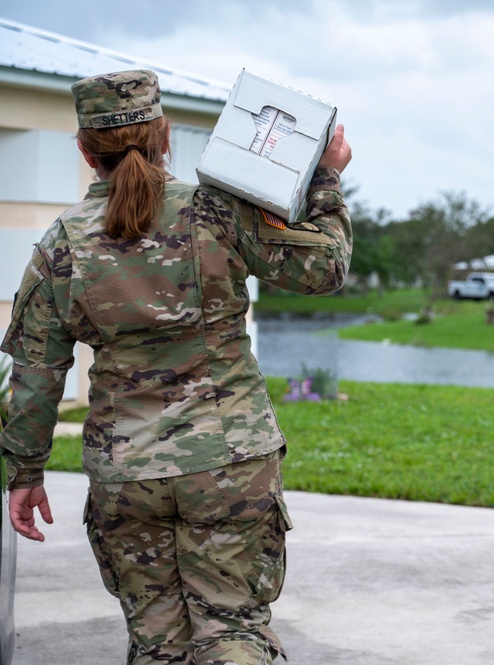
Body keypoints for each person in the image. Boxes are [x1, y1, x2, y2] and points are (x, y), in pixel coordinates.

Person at [0, 69, 352, 664]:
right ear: (166, 138)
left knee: (158, 644)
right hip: (230, 462)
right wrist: (326, 176)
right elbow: (324, 269)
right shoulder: (218, 212)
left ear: (87, 151)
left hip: (127, 473)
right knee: (232, 629)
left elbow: (37, 372)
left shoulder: (62, 243)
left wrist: (26, 471)